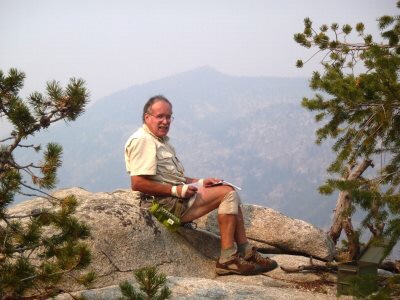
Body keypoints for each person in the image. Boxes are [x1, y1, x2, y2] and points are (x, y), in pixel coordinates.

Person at [124, 95, 278, 275]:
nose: (165, 121)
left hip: (172, 199)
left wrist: (201, 182)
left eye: (168, 117)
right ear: (147, 117)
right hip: (162, 206)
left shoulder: (159, 141)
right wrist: (177, 190)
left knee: (229, 191)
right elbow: (138, 183)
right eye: (160, 116)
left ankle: (245, 251)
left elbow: (172, 177)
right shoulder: (143, 140)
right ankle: (228, 258)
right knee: (227, 194)